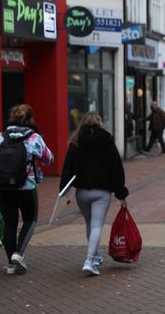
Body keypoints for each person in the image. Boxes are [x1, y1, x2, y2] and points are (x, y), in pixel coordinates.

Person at [0, 104, 54, 274]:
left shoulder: (1, 137)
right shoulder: (34, 138)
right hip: (25, 186)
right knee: (30, 219)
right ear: (30, 119)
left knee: (9, 223)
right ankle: (18, 254)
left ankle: (11, 264)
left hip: (2, 186)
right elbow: (49, 158)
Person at [60, 112, 129, 276]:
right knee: (97, 225)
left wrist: (64, 190)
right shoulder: (107, 142)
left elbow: (67, 169)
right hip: (102, 192)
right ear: (99, 123)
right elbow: (116, 169)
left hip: (82, 192)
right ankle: (90, 260)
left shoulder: (76, 143)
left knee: (90, 224)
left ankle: (96, 255)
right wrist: (121, 193)